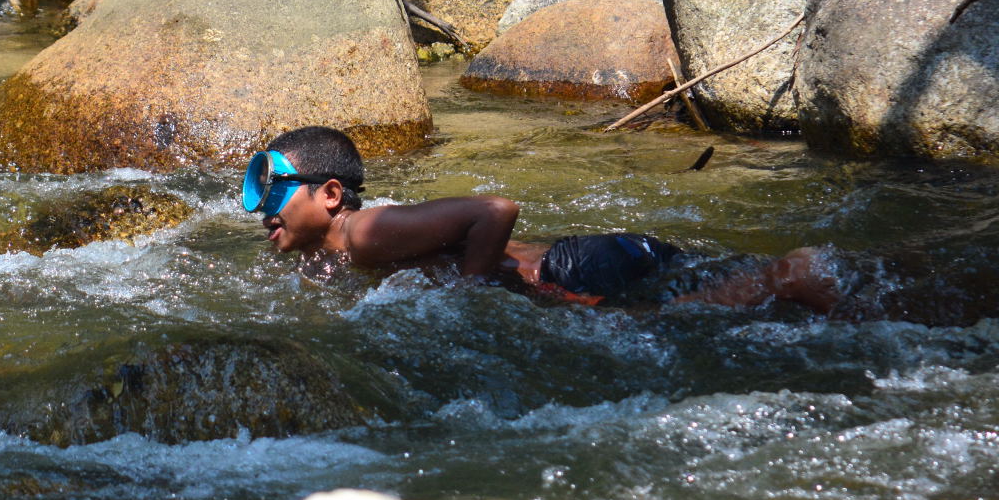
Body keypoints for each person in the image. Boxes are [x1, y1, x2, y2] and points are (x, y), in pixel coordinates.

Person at [241, 125, 844, 312]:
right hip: (588, 258)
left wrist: (472, 297)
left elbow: (493, 211)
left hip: (574, 269)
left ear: (329, 195)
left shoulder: (364, 232)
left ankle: (790, 274)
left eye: (274, 197)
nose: (263, 214)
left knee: (679, 315)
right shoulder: (337, 246)